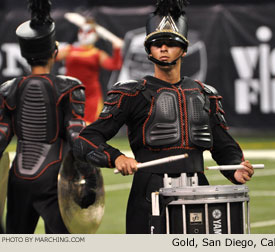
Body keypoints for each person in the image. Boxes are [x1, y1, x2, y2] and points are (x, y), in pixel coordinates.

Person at [73, 0, 254, 234]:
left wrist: (234, 170)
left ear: (185, 49)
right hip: (150, 193)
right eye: (157, 44)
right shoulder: (131, 93)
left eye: (171, 43)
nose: (164, 48)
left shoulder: (204, 94)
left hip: (199, 190)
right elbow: (86, 140)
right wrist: (116, 158)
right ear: (149, 50)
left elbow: (223, 145)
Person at [0, 0, 85, 233]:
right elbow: (77, 138)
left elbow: (1, 136)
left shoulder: (9, 88)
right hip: (56, 180)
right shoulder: (69, 87)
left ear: (25, 55)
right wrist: (90, 175)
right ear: (55, 52)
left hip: (18, 178)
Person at [56, 18, 123, 125]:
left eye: (89, 32)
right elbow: (51, 57)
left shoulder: (97, 53)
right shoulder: (69, 50)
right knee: (70, 126)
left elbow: (114, 65)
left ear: (96, 36)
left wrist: (117, 49)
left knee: (88, 127)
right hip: (70, 94)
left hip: (91, 96)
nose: (85, 35)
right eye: (82, 31)